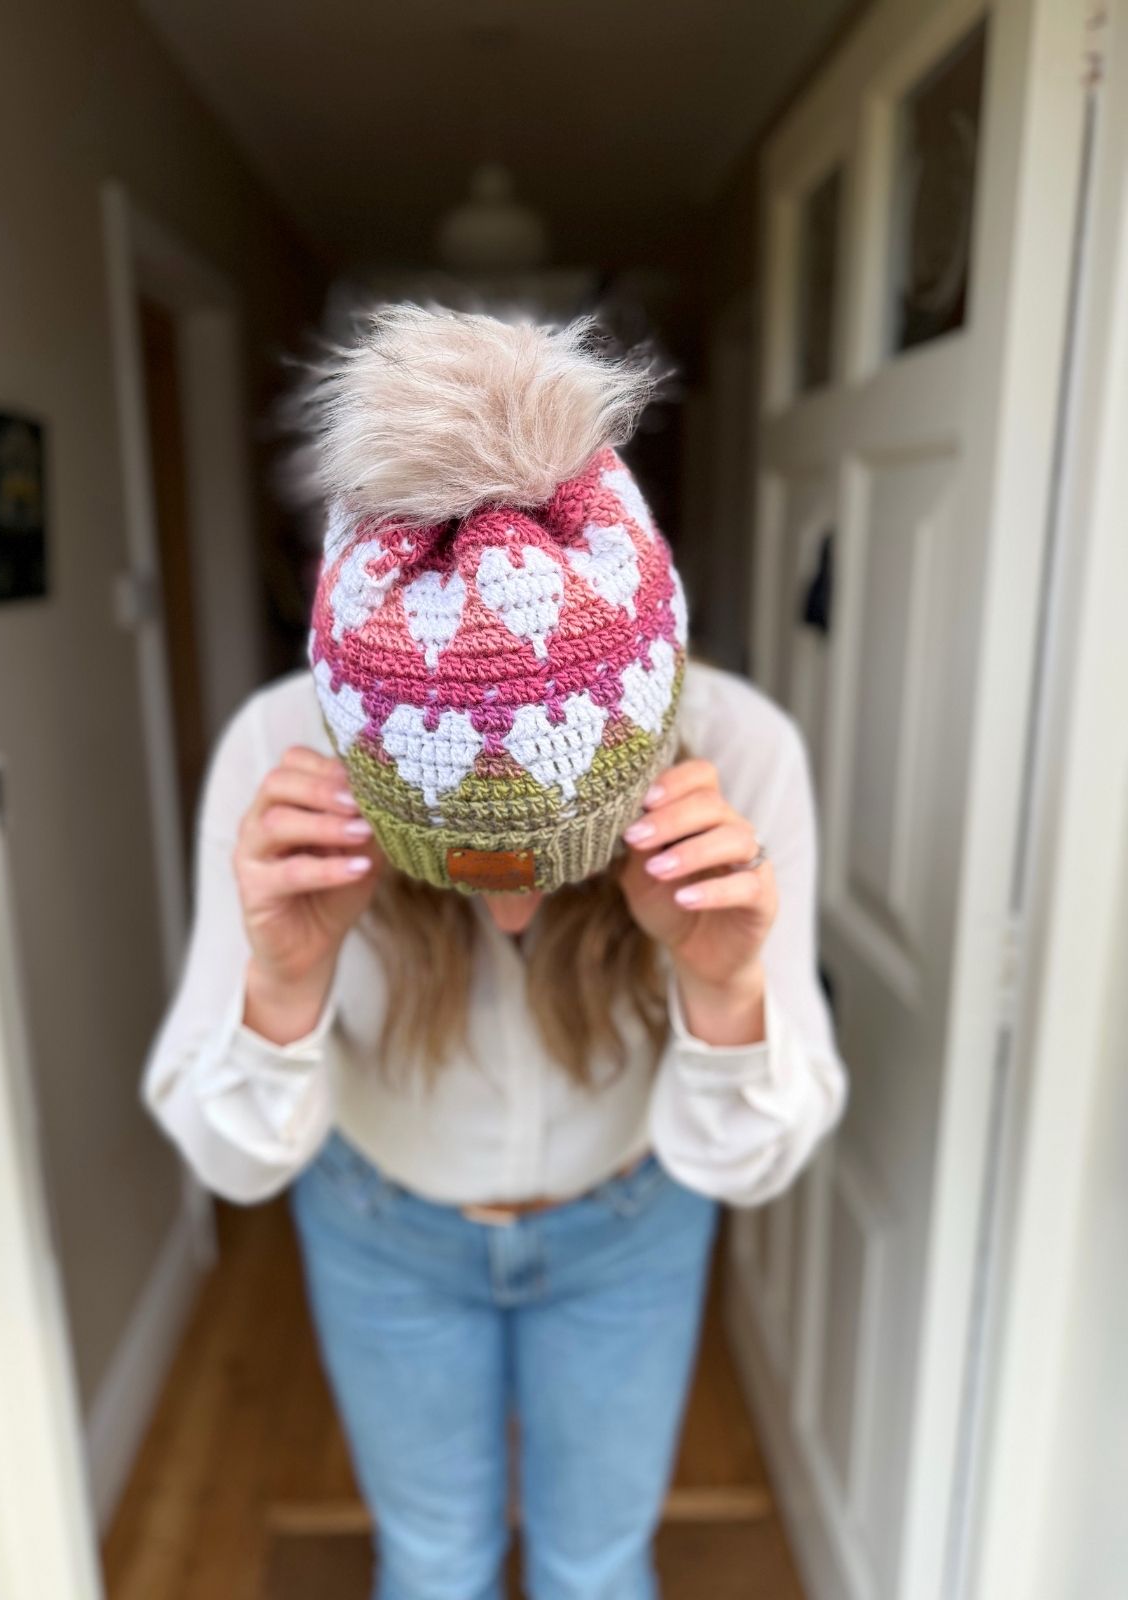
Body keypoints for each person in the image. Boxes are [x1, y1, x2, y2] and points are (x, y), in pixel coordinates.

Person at [141, 304, 847, 1600]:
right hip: (377, 1224)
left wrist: (725, 981)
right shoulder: (274, 758)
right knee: (433, 1563)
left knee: (595, 1566)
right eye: (457, 851)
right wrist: (285, 984)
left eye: (551, 841)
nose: (511, 912)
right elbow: (229, 1161)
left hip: (633, 1223)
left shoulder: (742, 753)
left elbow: (753, 1163)